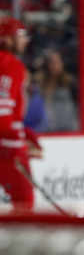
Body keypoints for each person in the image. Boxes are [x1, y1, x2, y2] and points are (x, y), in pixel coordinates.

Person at [0, 16, 42, 213]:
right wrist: (18, 140)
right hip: (7, 151)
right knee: (24, 203)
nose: (25, 40)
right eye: (20, 35)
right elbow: (2, 113)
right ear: (7, 39)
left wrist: (21, 130)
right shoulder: (10, 64)